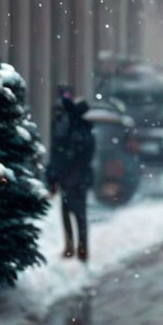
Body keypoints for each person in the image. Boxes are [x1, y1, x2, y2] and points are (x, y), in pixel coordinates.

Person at [46, 90, 96, 261]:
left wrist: (55, 176)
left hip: (73, 177)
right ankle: (77, 247)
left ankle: (76, 247)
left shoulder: (73, 130)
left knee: (73, 212)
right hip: (74, 177)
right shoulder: (80, 129)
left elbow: (62, 155)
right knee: (73, 213)